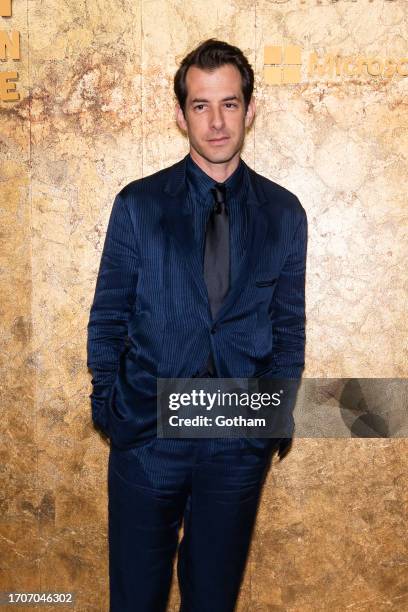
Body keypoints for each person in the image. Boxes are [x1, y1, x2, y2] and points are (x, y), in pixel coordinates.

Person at [87, 38, 307, 612]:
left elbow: (288, 331)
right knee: (135, 599)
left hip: (237, 439)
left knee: (213, 601)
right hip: (147, 435)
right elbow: (108, 316)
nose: (216, 121)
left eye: (229, 104)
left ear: (250, 110)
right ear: (181, 113)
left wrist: (269, 423)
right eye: (201, 105)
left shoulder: (285, 213)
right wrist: (113, 409)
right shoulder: (138, 205)